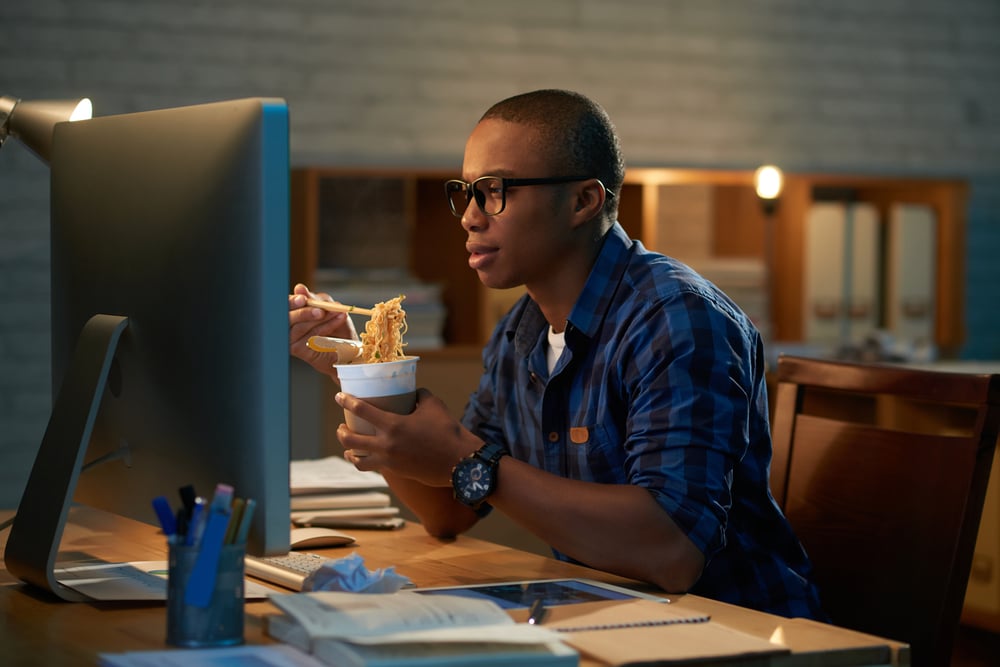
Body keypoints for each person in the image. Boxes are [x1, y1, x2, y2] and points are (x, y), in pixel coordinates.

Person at [288, 89, 825, 620]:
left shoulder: (678, 319)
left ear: (583, 201)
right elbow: (447, 509)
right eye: (467, 192)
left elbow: (672, 552)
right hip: (613, 618)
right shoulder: (519, 332)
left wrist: (466, 459)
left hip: (737, 632)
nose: (470, 218)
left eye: (495, 191)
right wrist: (358, 370)